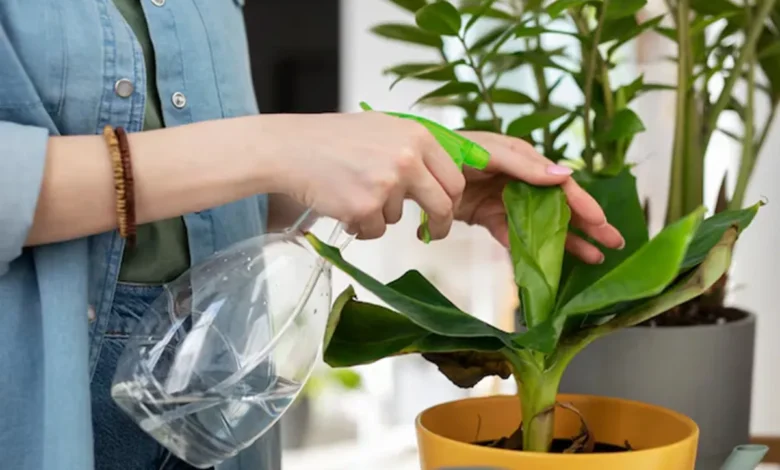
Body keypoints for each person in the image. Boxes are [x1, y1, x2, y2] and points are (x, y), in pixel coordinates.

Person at [0, 2, 624, 470]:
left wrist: (405, 167)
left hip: (221, 396)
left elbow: (208, 197)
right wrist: (278, 144)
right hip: (36, 405)